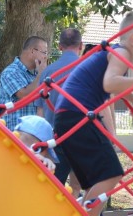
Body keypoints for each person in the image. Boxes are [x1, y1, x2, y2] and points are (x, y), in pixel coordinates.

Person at [54, 11, 133, 216]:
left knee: (95, 183)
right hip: (78, 115)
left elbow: (112, 84)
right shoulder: (122, 53)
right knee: (111, 173)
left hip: (68, 117)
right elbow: (110, 83)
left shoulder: (118, 53)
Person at [33, 28, 83, 188]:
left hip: (56, 140)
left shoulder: (48, 72)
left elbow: (40, 112)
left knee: (54, 187)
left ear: (60, 46)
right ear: (81, 45)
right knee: (80, 188)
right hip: (82, 136)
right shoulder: (87, 69)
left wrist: (41, 144)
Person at [0, 36, 49, 126]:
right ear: (33, 51)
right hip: (14, 135)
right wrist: (41, 74)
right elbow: (24, 95)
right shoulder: (11, 72)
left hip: (30, 133)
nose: (45, 57)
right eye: (44, 52)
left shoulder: (35, 74)